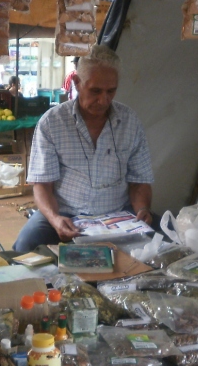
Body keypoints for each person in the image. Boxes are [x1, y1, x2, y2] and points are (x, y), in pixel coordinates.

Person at [13, 45, 154, 252]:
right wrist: (55, 218)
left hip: (118, 213)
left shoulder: (130, 122)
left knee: (166, 240)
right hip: (66, 213)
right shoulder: (52, 123)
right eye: (95, 91)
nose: (103, 100)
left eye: (111, 91)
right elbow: (42, 185)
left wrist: (142, 209)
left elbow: (139, 181)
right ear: (77, 83)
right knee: (25, 247)